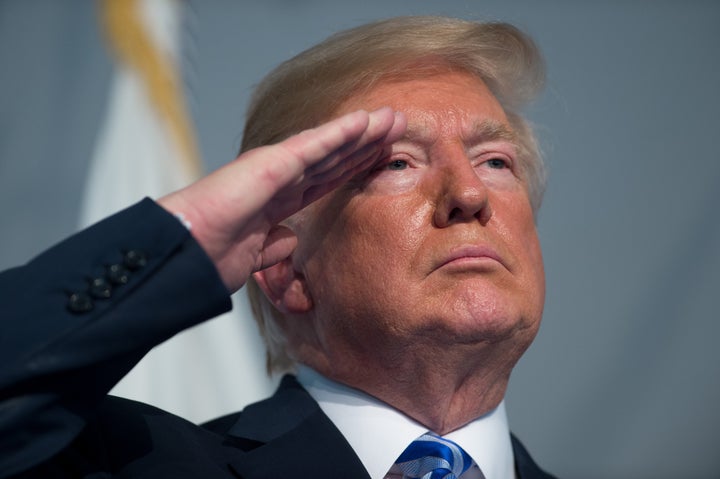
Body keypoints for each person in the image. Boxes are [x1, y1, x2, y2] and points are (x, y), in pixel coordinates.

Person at [0, 16, 554, 479]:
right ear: (288, 268)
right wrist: (180, 243)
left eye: (495, 162)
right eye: (397, 163)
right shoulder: (128, 464)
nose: (469, 193)